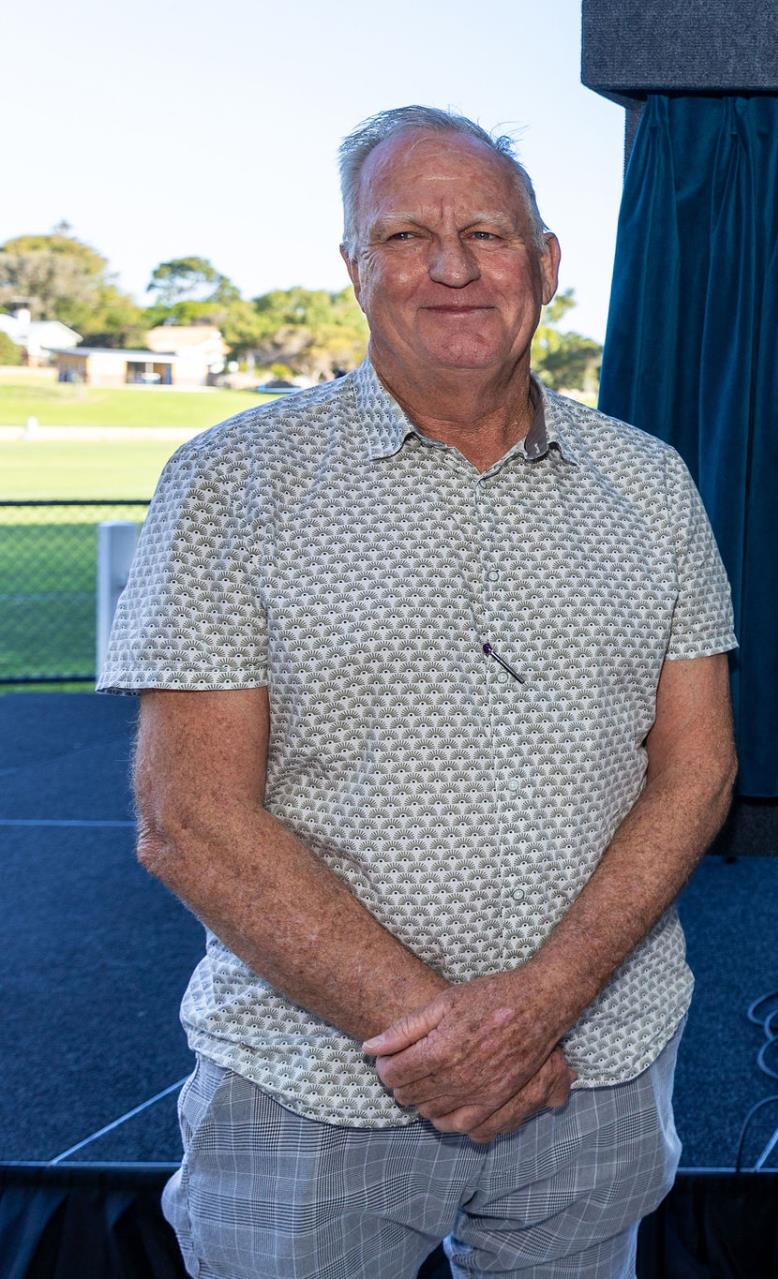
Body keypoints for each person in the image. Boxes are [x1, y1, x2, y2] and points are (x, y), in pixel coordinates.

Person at [102, 105, 738, 1278]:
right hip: (312, 1090)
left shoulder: (652, 486)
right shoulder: (228, 484)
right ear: (353, 269)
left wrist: (537, 1008)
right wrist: (452, 1042)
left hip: (590, 1071)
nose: (450, 266)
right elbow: (187, 818)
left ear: (545, 266)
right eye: (404, 236)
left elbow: (697, 769)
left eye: (487, 234)